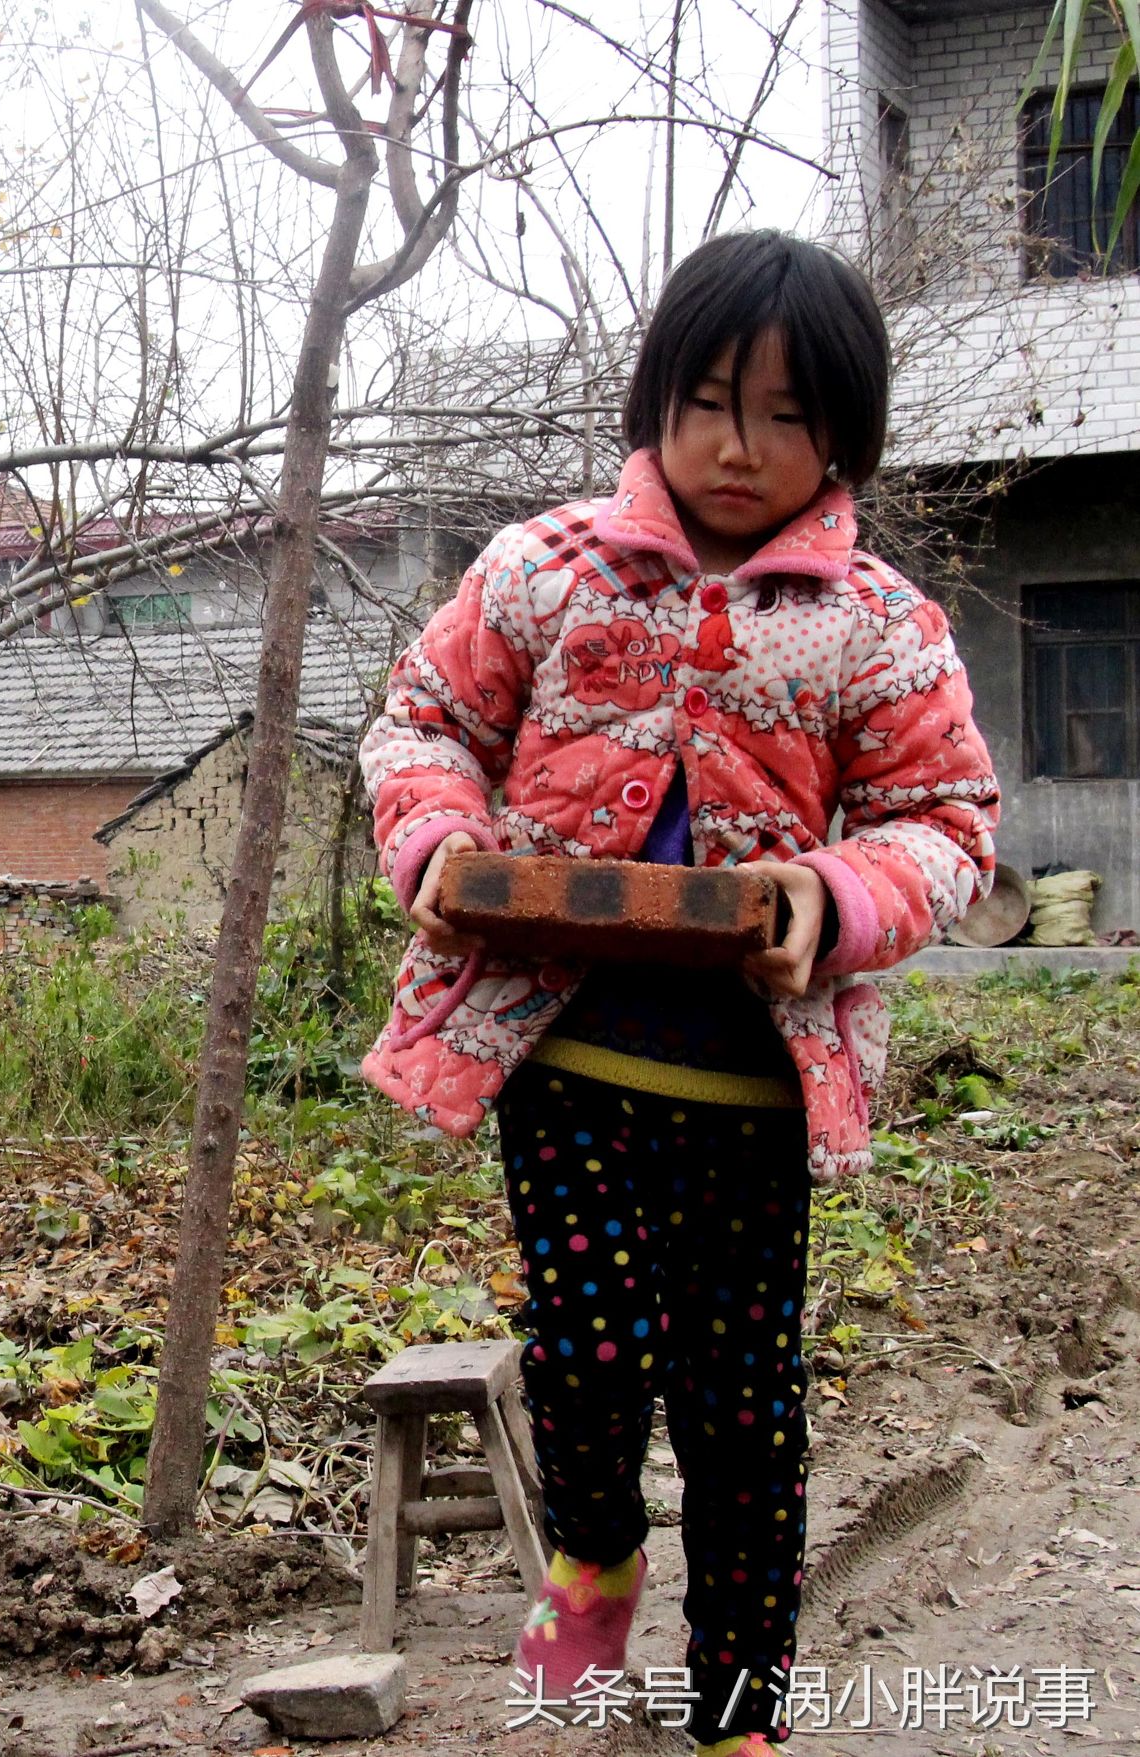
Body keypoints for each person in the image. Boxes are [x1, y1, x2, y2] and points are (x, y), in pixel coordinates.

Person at [357, 230, 1000, 1753]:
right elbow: (424, 722)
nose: (740, 444)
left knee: (744, 1407)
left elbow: (950, 827)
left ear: (843, 431)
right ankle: (594, 1547)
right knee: (585, 1352)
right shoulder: (542, 569)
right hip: (565, 1049)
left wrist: (831, 898)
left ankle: (741, 1705)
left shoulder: (884, 624)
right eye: (712, 400)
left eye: (787, 415)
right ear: (658, 398)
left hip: (751, 1082)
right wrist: (440, 843)